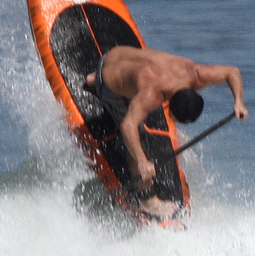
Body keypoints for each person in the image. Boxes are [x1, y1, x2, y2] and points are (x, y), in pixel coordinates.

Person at [85, 46, 246, 193]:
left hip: (115, 53)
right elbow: (128, 125)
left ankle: (94, 77)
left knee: (135, 86)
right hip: (108, 83)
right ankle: (145, 196)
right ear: (169, 108)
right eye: (175, 119)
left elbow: (232, 71)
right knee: (139, 140)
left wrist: (238, 102)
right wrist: (142, 161)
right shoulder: (152, 94)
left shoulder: (196, 74)